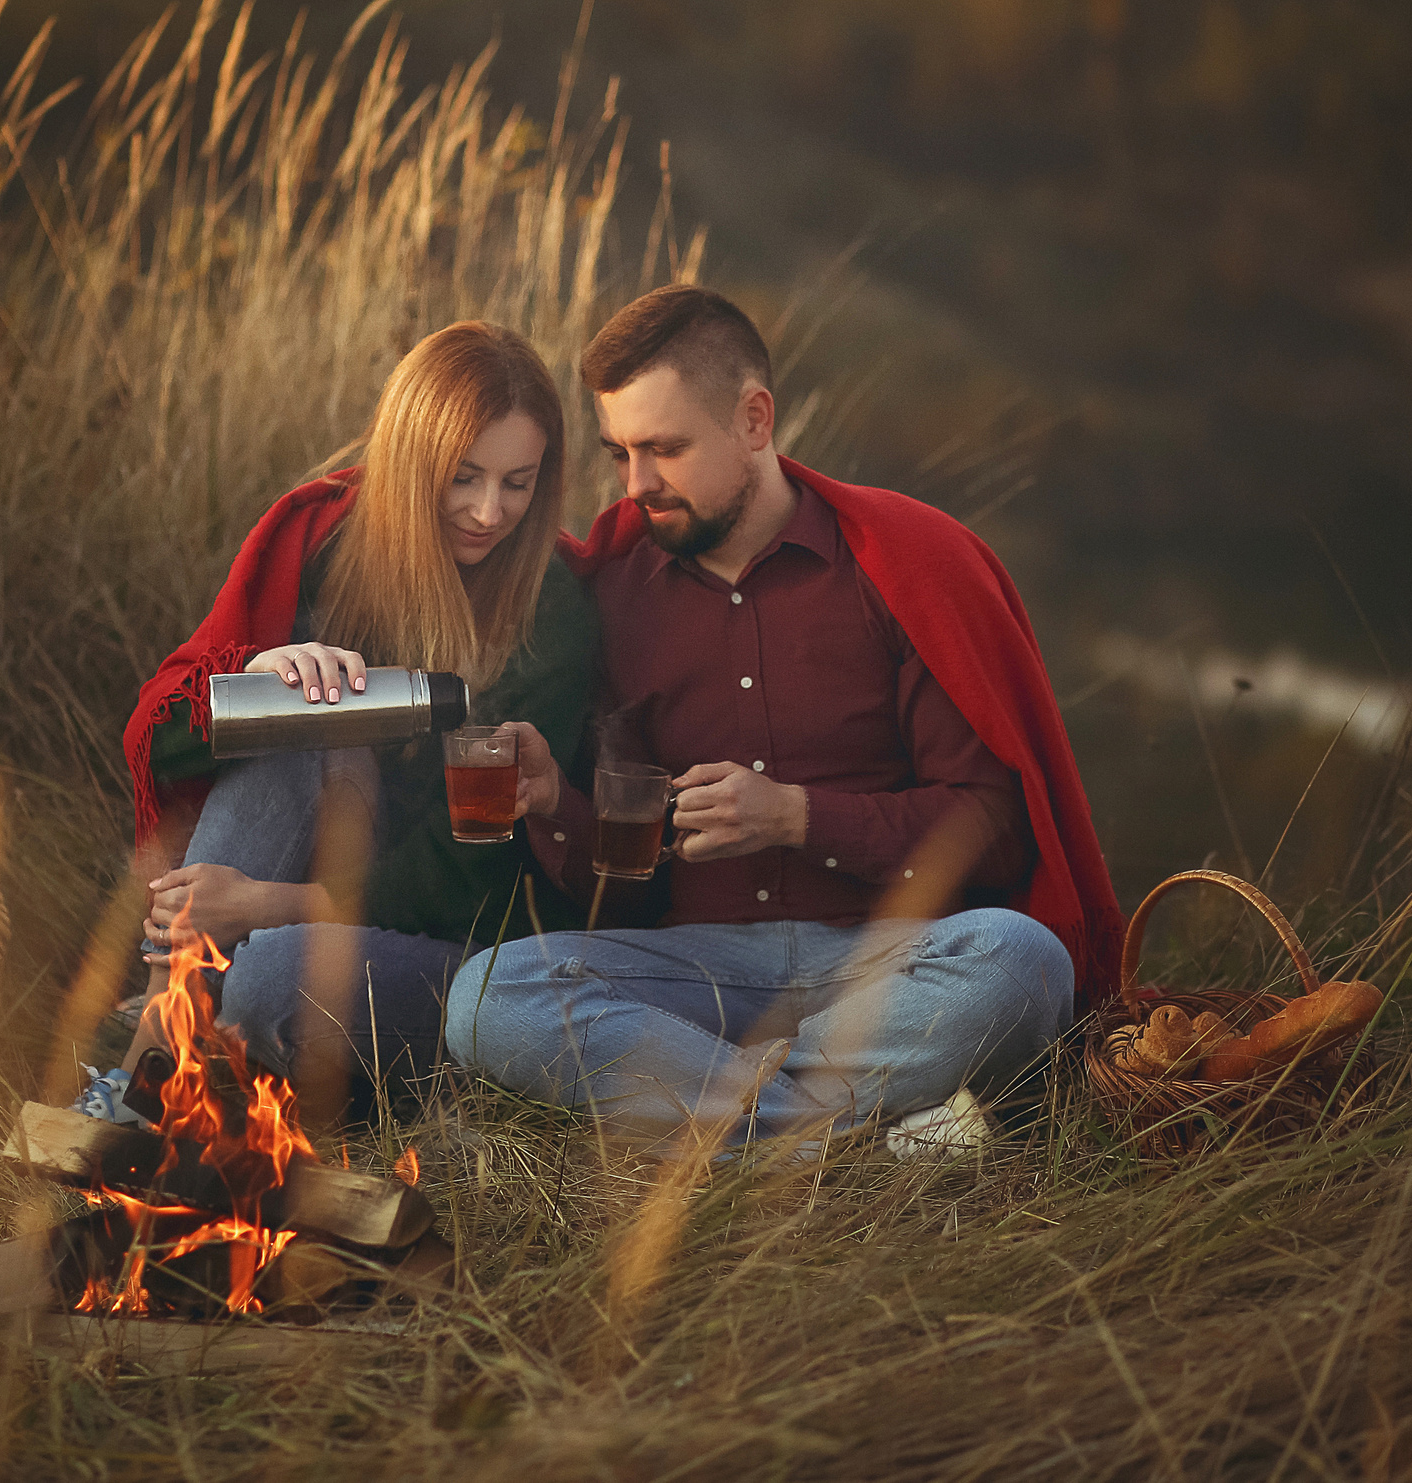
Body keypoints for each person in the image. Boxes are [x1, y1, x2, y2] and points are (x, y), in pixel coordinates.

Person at [445, 285, 1124, 1154]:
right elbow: (624, 883)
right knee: (490, 996)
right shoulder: (616, 592)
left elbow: (991, 830)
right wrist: (554, 804)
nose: (637, 484)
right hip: (698, 975)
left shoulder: (892, 568)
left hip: (886, 966)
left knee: (1022, 960)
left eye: (665, 449)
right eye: (620, 454)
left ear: (755, 420)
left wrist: (797, 815)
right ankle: (830, 1133)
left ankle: (726, 1115)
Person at [84, 321, 598, 1123]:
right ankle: (155, 1060)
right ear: (410, 459)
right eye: (463, 477)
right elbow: (166, 739)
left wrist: (259, 905)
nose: (489, 511)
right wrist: (261, 675)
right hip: (321, 885)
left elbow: (461, 882)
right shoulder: (325, 544)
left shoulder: (551, 608)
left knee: (269, 980)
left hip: (467, 949)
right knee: (295, 723)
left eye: (518, 482)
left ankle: (216, 1037)